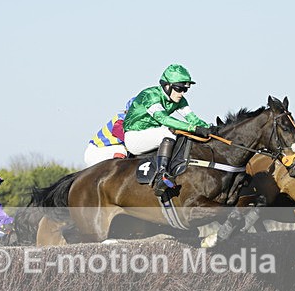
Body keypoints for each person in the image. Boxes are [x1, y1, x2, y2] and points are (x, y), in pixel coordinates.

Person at [123, 64, 218, 197]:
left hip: (153, 136)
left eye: (185, 89)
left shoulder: (180, 100)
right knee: (168, 131)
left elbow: (193, 119)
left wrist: (211, 129)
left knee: (185, 136)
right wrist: (194, 128)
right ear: (167, 85)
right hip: (134, 138)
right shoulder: (150, 95)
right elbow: (164, 119)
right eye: (179, 89)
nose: (182, 93)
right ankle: (161, 175)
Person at [84, 97, 136, 168]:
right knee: (122, 150)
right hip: (96, 152)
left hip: (105, 150)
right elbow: (119, 131)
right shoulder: (121, 120)